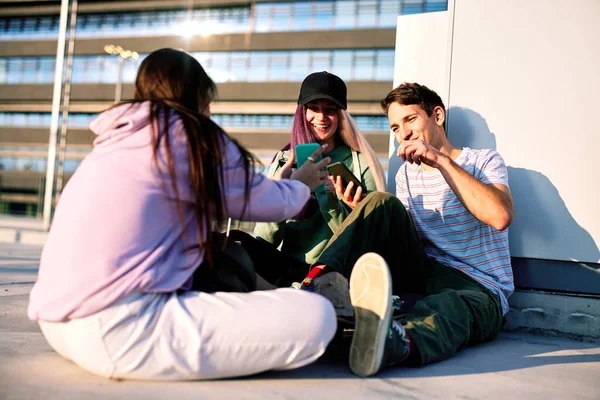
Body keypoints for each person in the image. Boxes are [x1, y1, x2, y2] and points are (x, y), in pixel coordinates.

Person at [27, 48, 339, 381]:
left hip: (57, 324)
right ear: (198, 94)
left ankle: (291, 293)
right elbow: (270, 203)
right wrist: (302, 184)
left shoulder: (115, 141)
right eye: (208, 99)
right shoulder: (189, 137)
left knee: (222, 249)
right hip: (121, 330)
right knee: (316, 316)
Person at [330, 82, 515, 377]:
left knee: (450, 305)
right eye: (394, 127)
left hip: (479, 288)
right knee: (379, 202)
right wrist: (364, 213)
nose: (403, 133)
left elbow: (500, 215)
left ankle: (393, 341)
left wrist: (439, 160)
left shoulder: (483, 160)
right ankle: (319, 284)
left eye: (410, 119)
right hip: (425, 274)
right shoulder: (406, 174)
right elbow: (408, 240)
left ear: (437, 116)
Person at [229, 71, 387, 296]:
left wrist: (332, 202)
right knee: (233, 244)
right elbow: (266, 239)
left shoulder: (360, 163)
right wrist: (279, 195)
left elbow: (361, 245)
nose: (321, 117)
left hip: (332, 268)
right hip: (286, 266)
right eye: (314, 108)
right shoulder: (284, 160)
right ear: (302, 113)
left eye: (330, 110)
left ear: (341, 115)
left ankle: (295, 296)